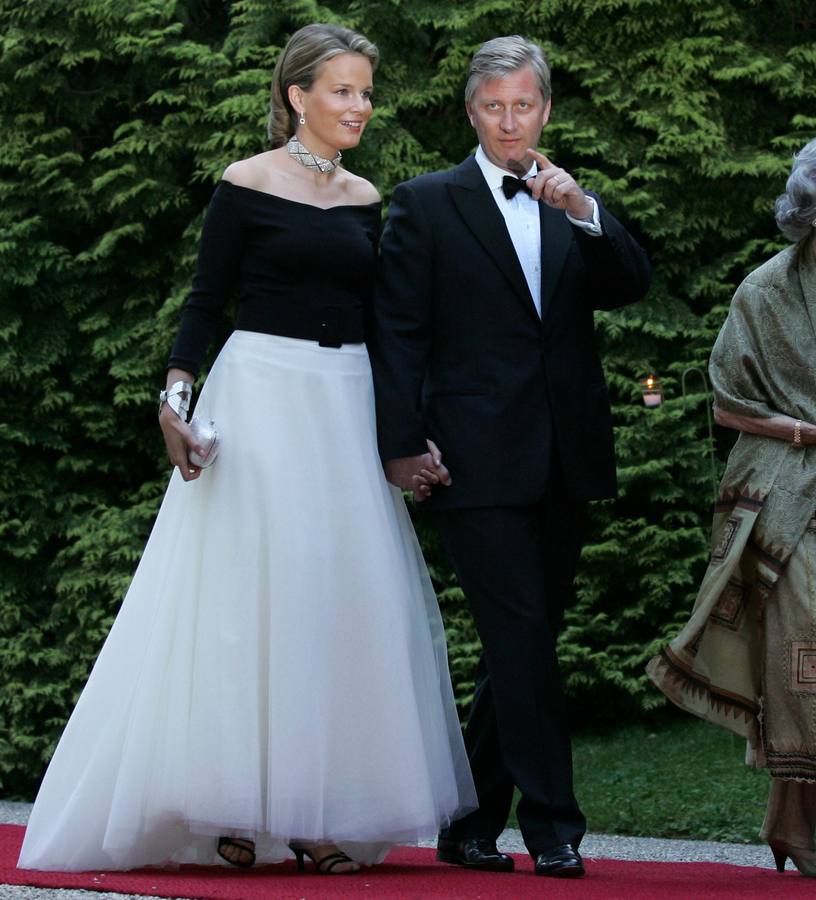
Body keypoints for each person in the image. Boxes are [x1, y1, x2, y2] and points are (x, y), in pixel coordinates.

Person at [17, 23, 476, 874]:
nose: (359, 106)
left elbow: (388, 327)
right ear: (297, 96)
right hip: (261, 396)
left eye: (366, 92)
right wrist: (174, 400)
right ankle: (228, 801)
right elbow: (204, 302)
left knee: (335, 596)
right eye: (342, 90)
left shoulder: (369, 197)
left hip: (342, 406)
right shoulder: (245, 183)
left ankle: (317, 809)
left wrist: (403, 436)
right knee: (246, 595)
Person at [370, 35, 650, 879]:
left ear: (545, 110)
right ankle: (554, 826)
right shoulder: (425, 203)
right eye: (491, 107)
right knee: (523, 636)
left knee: (520, 643)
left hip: (564, 454)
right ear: (469, 113)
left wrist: (581, 210)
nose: (507, 121)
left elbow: (630, 282)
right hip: (471, 459)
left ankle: (466, 821)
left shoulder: (568, 203)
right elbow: (398, 334)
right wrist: (398, 443)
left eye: (521, 105)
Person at [647, 131, 816, 887]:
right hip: (781, 501)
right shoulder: (762, 291)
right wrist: (813, 431)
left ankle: (788, 827)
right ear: (813, 207)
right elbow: (728, 403)